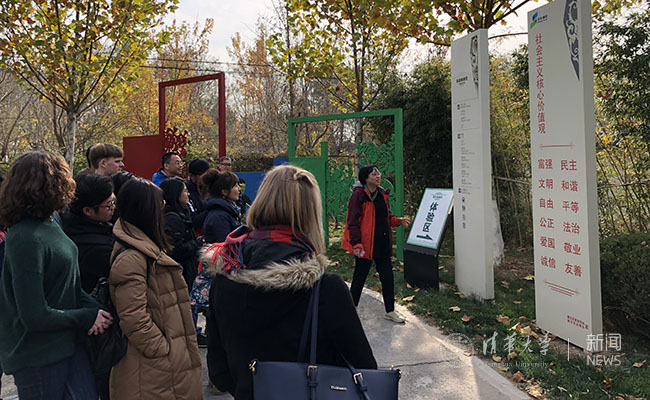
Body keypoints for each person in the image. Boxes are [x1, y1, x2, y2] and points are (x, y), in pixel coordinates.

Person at [203, 165, 377, 399]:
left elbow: (219, 372)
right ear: (310, 214)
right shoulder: (326, 289)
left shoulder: (224, 280)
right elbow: (365, 369)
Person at [0, 151, 112, 399]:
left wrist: (96, 311)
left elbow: (68, 286)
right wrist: (87, 316)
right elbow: (34, 316)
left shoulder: (49, 224)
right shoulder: (24, 238)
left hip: (67, 345)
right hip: (38, 356)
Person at [109, 177, 202, 400]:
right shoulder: (133, 257)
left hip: (165, 361)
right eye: (159, 204)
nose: (163, 209)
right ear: (146, 210)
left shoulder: (145, 247)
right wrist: (163, 350)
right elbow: (133, 316)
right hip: (153, 367)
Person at [342, 165, 411, 323]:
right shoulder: (359, 195)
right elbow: (352, 222)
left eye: (378, 173)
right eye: (374, 174)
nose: (378, 176)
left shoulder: (381, 194)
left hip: (382, 244)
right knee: (360, 277)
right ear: (365, 178)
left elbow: (386, 216)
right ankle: (351, 310)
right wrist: (357, 244)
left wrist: (398, 221)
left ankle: (390, 311)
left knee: (387, 277)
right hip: (364, 246)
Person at [160, 177, 206, 347]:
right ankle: (191, 336)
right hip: (182, 270)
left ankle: (193, 333)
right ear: (175, 194)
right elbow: (175, 249)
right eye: (184, 191)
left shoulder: (181, 213)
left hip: (187, 268)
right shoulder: (172, 218)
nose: (188, 194)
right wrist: (197, 244)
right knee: (185, 306)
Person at [61, 174, 116, 293]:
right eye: (109, 205)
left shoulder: (70, 219)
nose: (114, 207)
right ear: (87, 211)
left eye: (114, 201)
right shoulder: (95, 249)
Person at [202, 169, 241, 243]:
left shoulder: (227, 210)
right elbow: (225, 243)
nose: (239, 189)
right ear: (224, 191)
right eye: (235, 186)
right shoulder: (219, 216)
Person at [185, 158, 210, 231]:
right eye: (203, 175)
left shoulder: (211, 187)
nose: (206, 178)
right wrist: (212, 208)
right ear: (192, 176)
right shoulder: (185, 192)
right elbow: (193, 221)